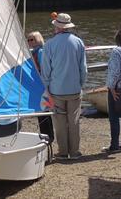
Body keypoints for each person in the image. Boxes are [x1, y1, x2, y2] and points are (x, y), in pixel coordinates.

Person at [40, 13, 87, 160]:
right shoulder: (79, 42)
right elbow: (83, 69)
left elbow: (46, 70)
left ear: (57, 27)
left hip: (56, 89)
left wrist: (46, 87)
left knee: (59, 122)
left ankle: (63, 152)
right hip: (74, 89)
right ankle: (74, 152)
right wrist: (80, 84)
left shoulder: (49, 44)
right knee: (74, 121)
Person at [27, 30, 54, 142]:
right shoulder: (33, 52)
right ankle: (46, 136)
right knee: (40, 111)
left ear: (38, 40)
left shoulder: (41, 52)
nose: (29, 42)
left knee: (44, 112)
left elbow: (45, 70)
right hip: (37, 87)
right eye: (28, 39)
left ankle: (48, 136)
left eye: (32, 39)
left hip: (42, 87)